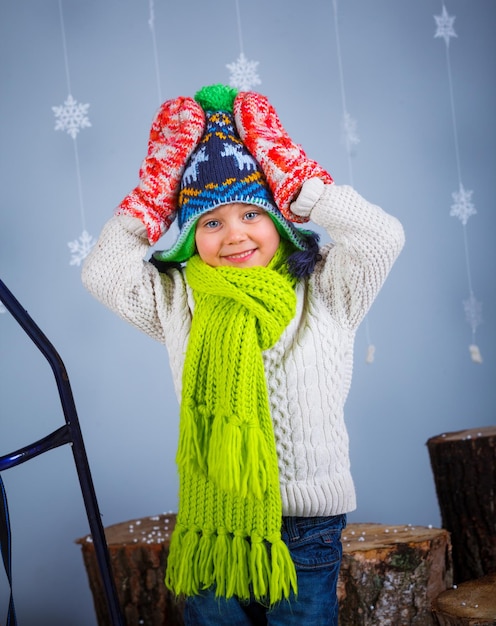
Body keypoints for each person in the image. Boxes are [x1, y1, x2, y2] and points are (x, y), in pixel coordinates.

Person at [82, 83, 405, 625]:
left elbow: (382, 236)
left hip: (308, 527)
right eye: (211, 222)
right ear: (191, 237)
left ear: (279, 220)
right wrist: (152, 194)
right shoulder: (181, 298)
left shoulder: (327, 287)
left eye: (250, 215)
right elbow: (102, 274)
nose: (233, 234)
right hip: (217, 524)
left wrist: (297, 176)